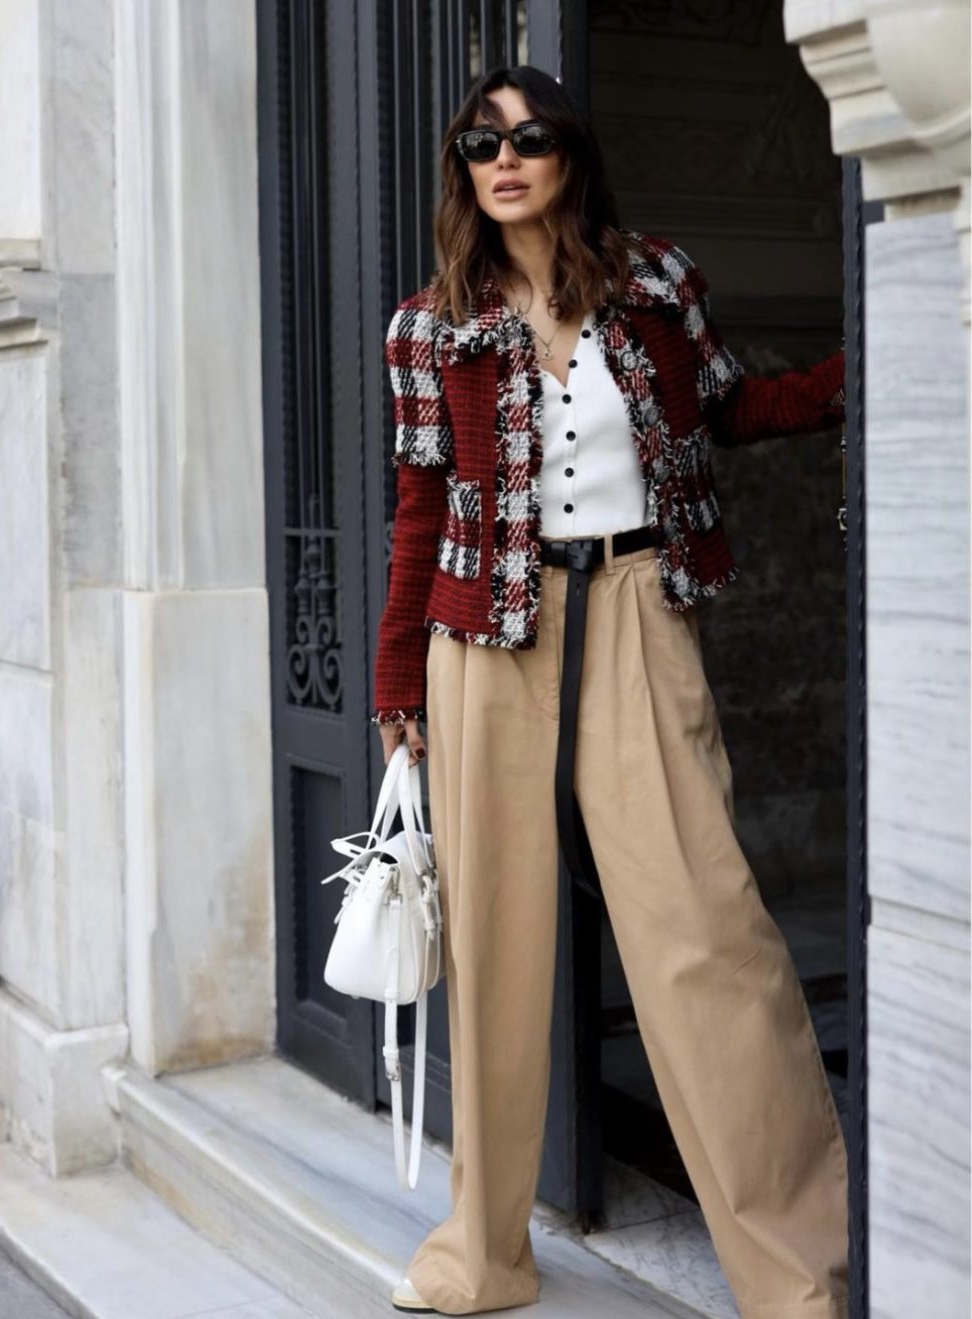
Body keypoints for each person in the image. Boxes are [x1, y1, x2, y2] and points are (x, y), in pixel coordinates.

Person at [370, 63, 849, 1319]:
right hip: (484, 637)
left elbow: (731, 407)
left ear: (572, 155)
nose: (506, 158)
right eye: (483, 142)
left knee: (710, 935)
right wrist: (396, 683)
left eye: (531, 137)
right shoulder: (432, 326)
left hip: (637, 609)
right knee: (495, 950)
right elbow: (420, 510)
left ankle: (797, 1269)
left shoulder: (655, 285)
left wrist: (855, 375)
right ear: (464, 168)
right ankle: (482, 1255)